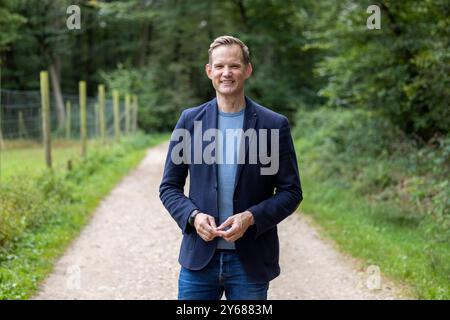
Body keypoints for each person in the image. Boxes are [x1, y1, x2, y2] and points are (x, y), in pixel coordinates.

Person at [159, 35, 302, 300]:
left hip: (251, 261)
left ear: (247, 70)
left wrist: (251, 217)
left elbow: (291, 192)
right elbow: (169, 187)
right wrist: (193, 216)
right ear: (209, 70)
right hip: (199, 260)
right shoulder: (190, 121)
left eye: (234, 66)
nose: (227, 73)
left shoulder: (274, 124)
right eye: (220, 66)